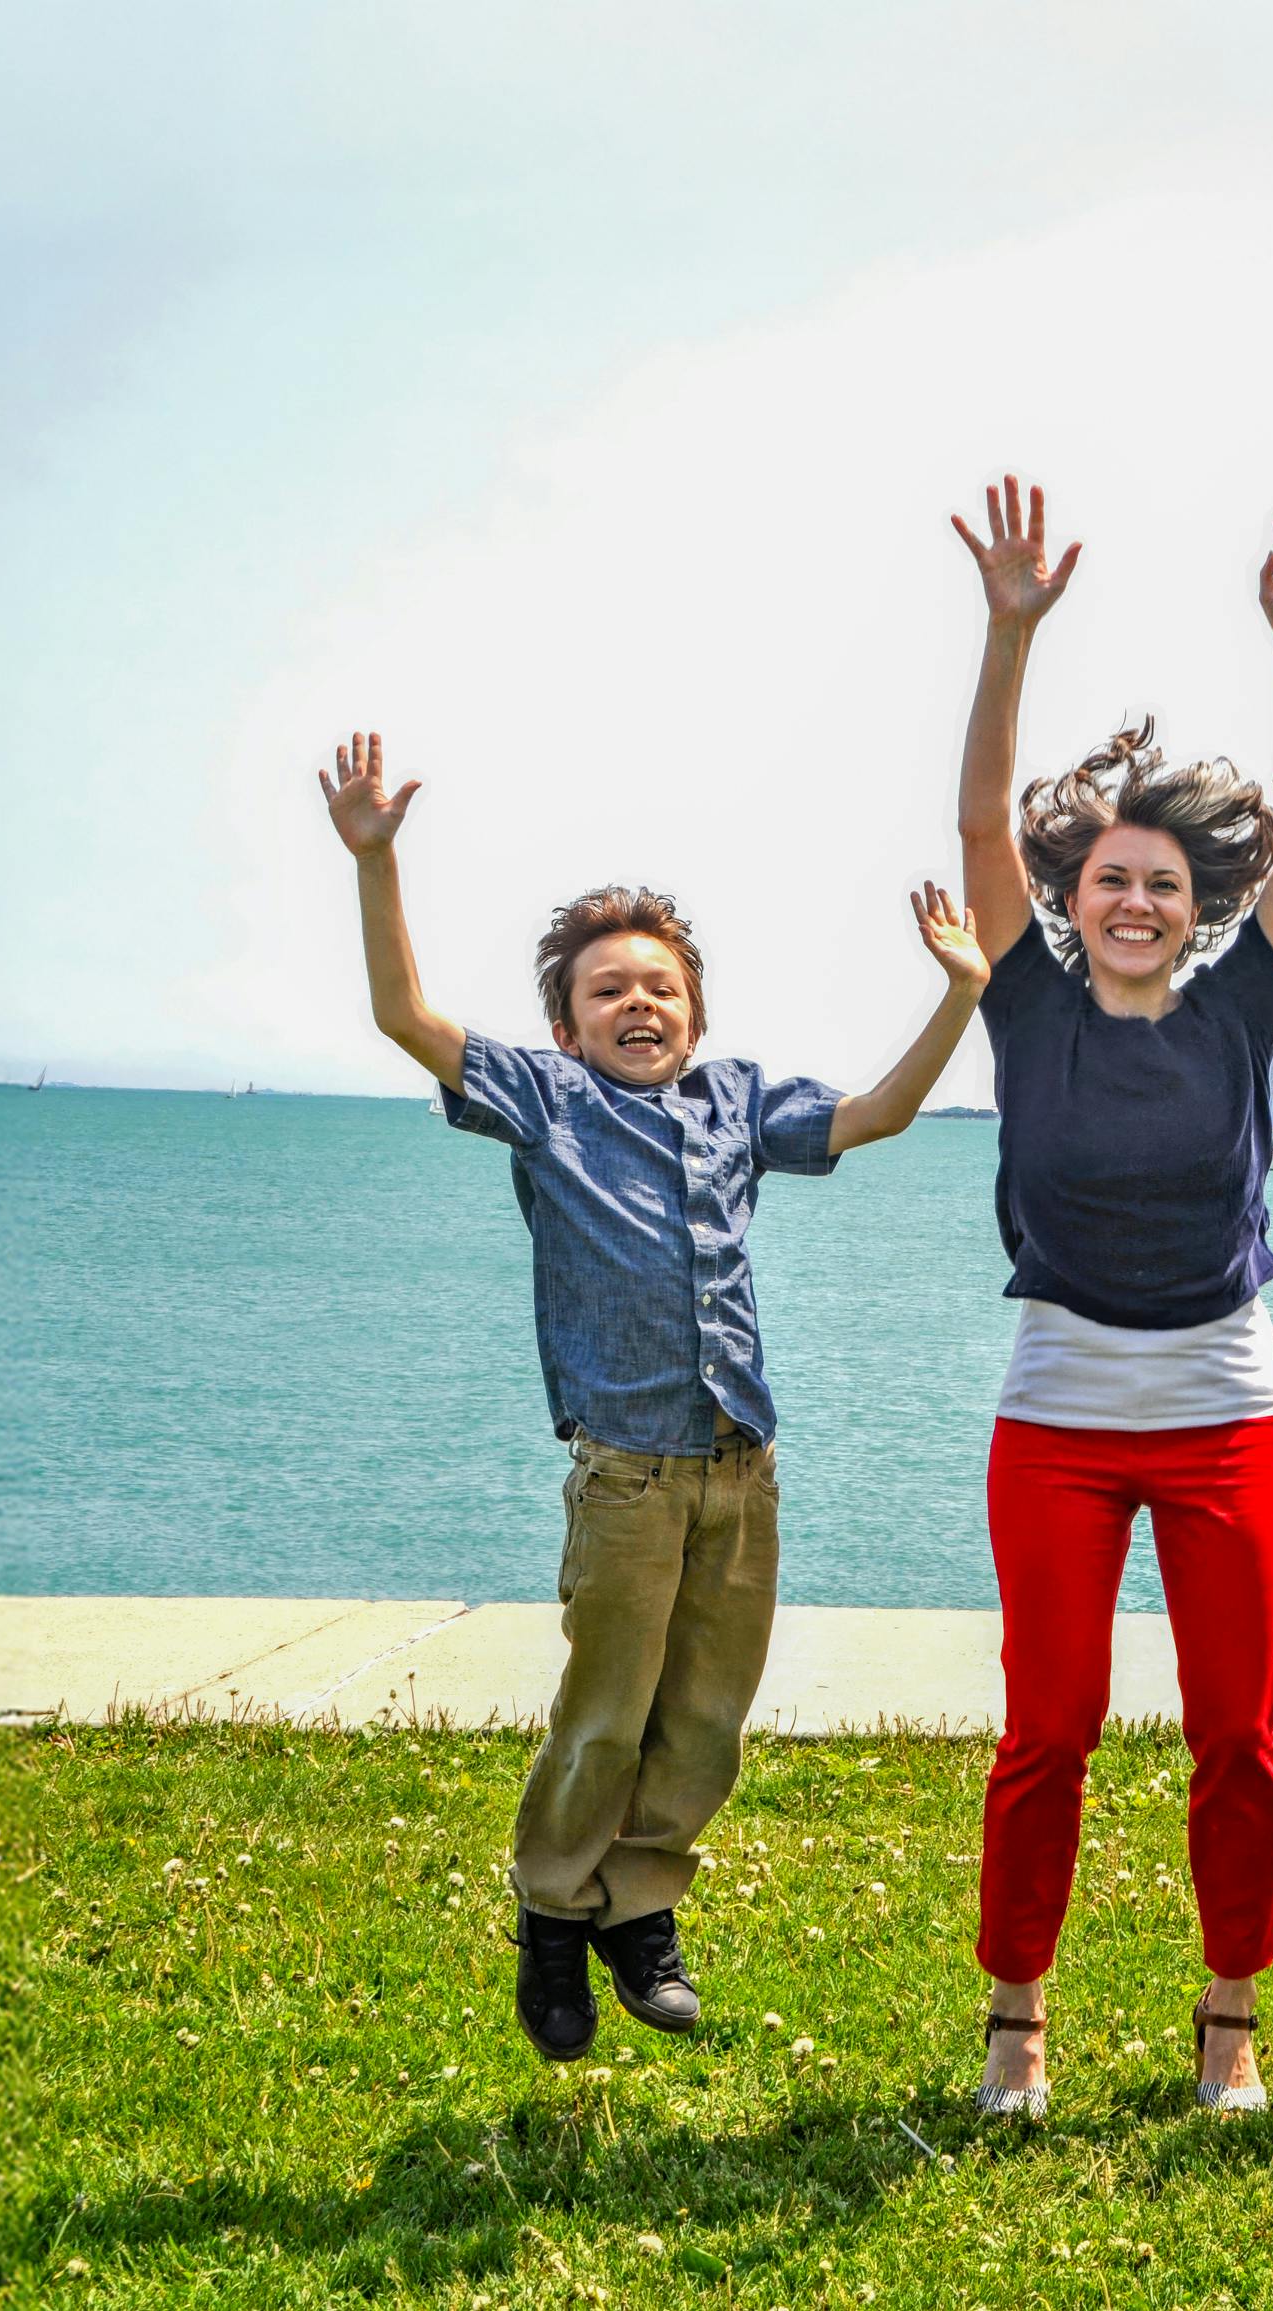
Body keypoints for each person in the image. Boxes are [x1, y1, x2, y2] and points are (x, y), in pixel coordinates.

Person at [317, 731, 990, 2059]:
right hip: (627, 1468)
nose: (640, 1003)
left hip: (743, 1465)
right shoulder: (549, 1099)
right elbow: (406, 1016)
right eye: (608, 988)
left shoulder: (738, 1102)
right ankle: (554, 1916)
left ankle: (643, 1905)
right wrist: (378, 858)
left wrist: (960, 992)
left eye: (662, 986)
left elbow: (882, 1112)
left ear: (697, 1010)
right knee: (606, 1706)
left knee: (704, 1713)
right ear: (565, 1023)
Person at [946, 480, 1273, 2117]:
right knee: (1049, 1729)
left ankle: (1230, 2023)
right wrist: (1009, 633)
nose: (1133, 899)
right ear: (1074, 898)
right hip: (1055, 1414)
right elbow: (978, 830)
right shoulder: (1029, 1011)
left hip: (1224, 1416)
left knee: (1237, 1739)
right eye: (1110, 878)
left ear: (1200, 908)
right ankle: (1015, 2023)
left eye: (1163, 885)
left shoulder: (1243, 1012)